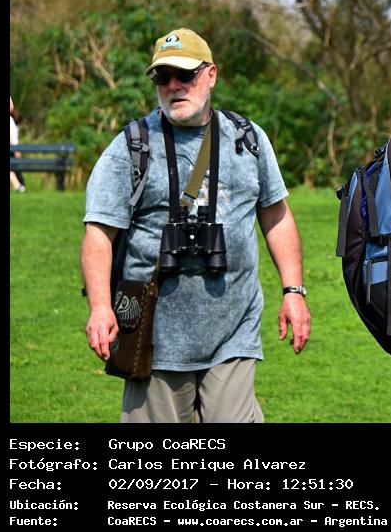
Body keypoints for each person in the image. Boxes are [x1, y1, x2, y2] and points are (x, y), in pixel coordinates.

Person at [82, 27, 311, 423]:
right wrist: (101, 308)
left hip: (233, 328)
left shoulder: (248, 139)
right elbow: (99, 232)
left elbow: (276, 215)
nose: (174, 86)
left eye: (185, 74)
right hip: (153, 333)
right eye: (162, 77)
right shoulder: (132, 145)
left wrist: (293, 291)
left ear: (211, 74)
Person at [10, 97, 26, 193]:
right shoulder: (12, 122)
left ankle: (18, 185)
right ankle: (19, 185)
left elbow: (13, 138)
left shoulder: (10, 121)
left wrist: (16, 149)